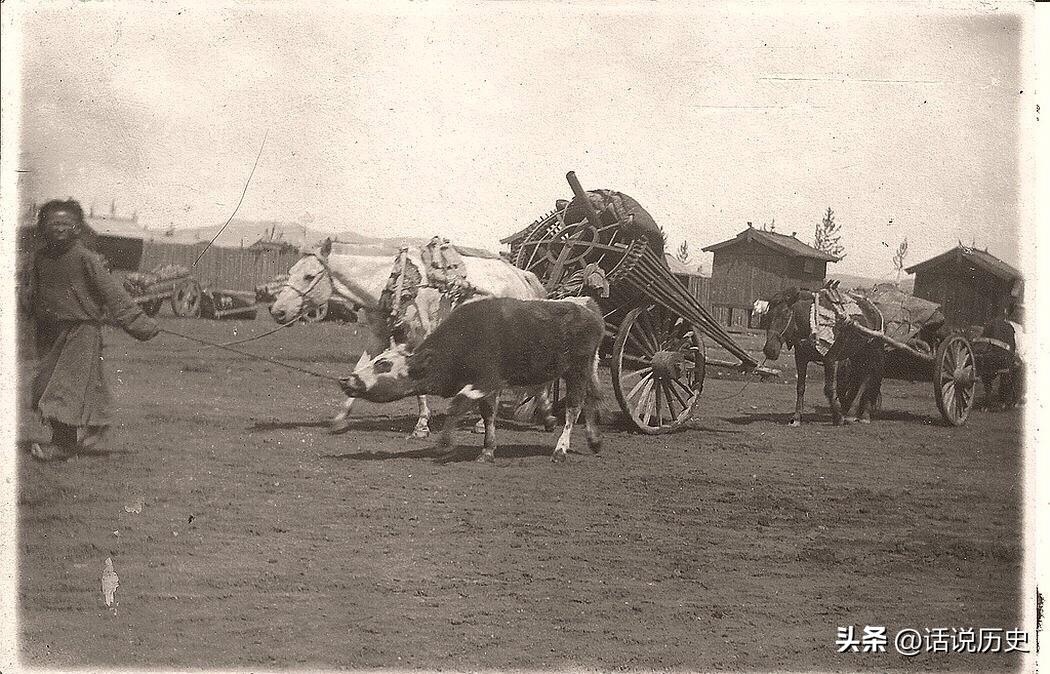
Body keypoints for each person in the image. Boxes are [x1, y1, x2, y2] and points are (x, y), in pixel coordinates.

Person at [22, 199, 160, 461]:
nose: (59, 228)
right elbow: (32, 294)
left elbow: (113, 293)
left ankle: (61, 446)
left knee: (63, 389)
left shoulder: (86, 258)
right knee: (44, 386)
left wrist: (142, 325)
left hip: (80, 333)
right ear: (43, 227)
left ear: (77, 228)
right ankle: (90, 429)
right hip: (49, 334)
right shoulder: (40, 259)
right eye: (54, 223)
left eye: (66, 223)